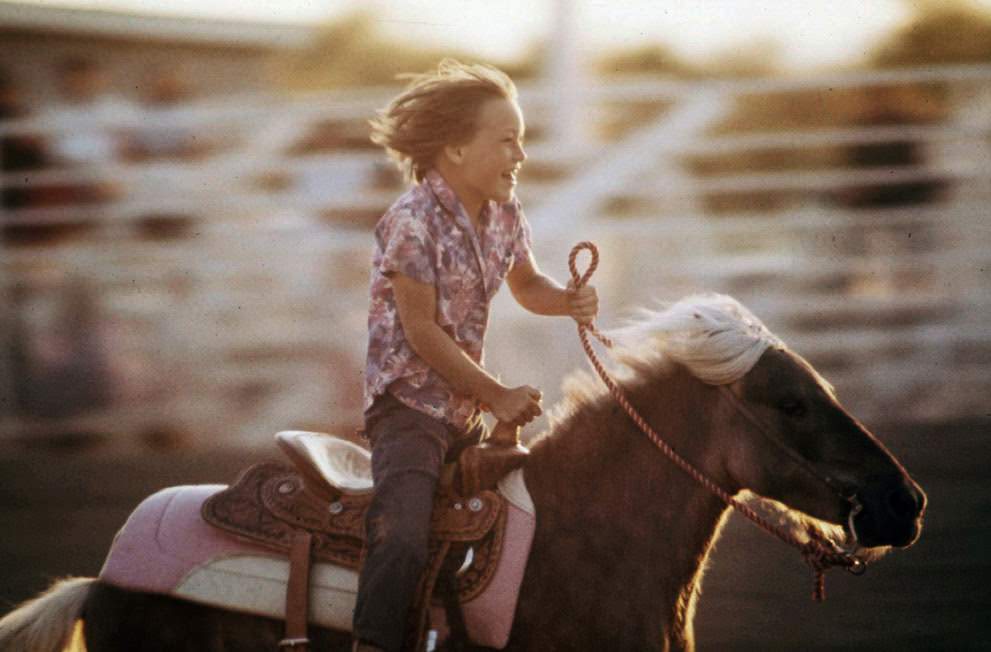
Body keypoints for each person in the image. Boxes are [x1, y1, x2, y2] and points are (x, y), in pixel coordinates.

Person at [354, 59, 598, 652]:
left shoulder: (506, 214)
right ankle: (372, 643)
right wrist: (497, 393)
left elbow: (526, 285)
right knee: (405, 534)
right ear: (457, 149)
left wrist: (568, 301)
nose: (520, 155)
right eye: (507, 140)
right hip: (408, 409)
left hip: (462, 410)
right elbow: (422, 332)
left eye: (523, 139)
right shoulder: (410, 222)